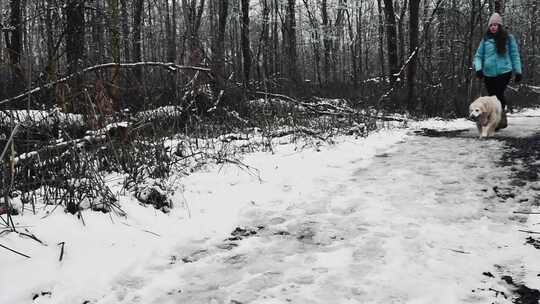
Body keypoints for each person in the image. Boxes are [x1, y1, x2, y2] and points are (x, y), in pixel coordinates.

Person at [473, 12, 522, 129]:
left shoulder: (508, 39)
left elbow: (515, 55)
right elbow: (478, 56)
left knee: (498, 95)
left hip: (505, 71)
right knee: (492, 97)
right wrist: (478, 69)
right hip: (488, 73)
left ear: (499, 26)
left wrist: (518, 72)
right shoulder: (485, 40)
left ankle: (499, 119)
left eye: (495, 25)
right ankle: (498, 117)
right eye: (491, 25)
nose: (493, 27)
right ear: (489, 27)